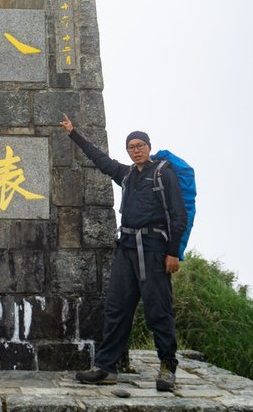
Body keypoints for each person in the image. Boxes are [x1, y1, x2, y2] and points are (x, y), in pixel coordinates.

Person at [60, 113, 187, 391]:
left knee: (158, 311)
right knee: (116, 309)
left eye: (140, 145)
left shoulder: (164, 173)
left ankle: (168, 368)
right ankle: (106, 367)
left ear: (149, 147)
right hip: (127, 249)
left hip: (154, 251)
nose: (136, 150)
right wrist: (73, 133)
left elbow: (179, 215)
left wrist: (173, 252)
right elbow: (101, 161)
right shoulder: (127, 174)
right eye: (131, 146)